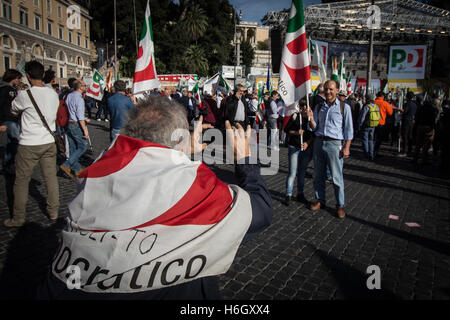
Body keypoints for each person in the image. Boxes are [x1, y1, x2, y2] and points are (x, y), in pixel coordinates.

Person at [37, 95, 272, 300]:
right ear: (179, 139)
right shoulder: (194, 187)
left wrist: (181, 151)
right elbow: (260, 211)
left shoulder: (97, 171)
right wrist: (245, 159)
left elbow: (150, 164)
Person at [4, 61, 59, 227]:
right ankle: (53, 212)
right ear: (43, 75)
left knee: (21, 180)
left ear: (27, 75)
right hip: (49, 141)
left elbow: (13, 110)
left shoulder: (24, 95)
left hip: (29, 143)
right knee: (50, 178)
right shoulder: (53, 94)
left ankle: (18, 218)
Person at [308, 80, 353, 219]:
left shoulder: (344, 107)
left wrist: (347, 147)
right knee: (318, 175)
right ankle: (320, 200)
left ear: (337, 90)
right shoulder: (319, 106)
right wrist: (310, 119)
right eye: (326, 89)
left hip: (334, 144)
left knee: (336, 177)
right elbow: (314, 127)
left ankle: (340, 205)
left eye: (331, 89)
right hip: (319, 143)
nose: (328, 92)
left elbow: (348, 130)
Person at [283, 98, 313, 206]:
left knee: (302, 172)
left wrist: (307, 143)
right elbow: (286, 129)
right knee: (292, 172)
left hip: (304, 148)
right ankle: (288, 194)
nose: (304, 107)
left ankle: (300, 193)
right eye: (302, 105)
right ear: (299, 107)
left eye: (306, 105)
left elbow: (313, 134)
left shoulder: (310, 119)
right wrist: (296, 132)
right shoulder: (295, 117)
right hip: (294, 147)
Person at [59, 80, 89, 178]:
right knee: (82, 147)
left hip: (68, 123)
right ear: (80, 87)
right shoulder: (79, 99)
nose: (86, 87)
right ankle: (67, 164)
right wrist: (85, 130)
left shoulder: (69, 95)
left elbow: (72, 111)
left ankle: (77, 169)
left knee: (72, 148)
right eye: (85, 85)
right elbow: (80, 116)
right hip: (76, 124)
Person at [0, 69, 23, 174]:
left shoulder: (12, 89)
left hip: (14, 119)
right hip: (8, 119)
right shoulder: (5, 90)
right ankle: (10, 164)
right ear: (13, 78)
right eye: (18, 78)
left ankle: (8, 164)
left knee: (10, 144)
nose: (19, 80)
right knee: (15, 142)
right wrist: (1, 122)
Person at [413, 98, 440, 164]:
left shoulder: (421, 108)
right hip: (428, 127)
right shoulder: (433, 109)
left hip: (420, 126)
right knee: (426, 144)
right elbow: (434, 119)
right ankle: (423, 159)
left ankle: (415, 158)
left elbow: (416, 117)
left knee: (418, 144)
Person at [357, 93, 380, 161]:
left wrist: (359, 125)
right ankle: (371, 154)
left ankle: (366, 155)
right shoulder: (376, 106)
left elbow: (362, 118)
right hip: (373, 125)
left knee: (365, 140)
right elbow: (379, 116)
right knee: (371, 140)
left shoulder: (367, 107)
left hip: (366, 125)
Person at [374, 92, 394, 158]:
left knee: (371, 138)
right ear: (383, 96)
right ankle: (375, 151)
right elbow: (390, 113)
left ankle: (370, 150)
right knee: (378, 138)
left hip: (372, 122)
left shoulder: (373, 102)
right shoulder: (385, 103)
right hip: (381, 122)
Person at [398, 92, 418, 156]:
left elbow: (405, 111)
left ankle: (404, 151)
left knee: (405, 136)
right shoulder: (415, 104)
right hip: (411, 121)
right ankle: (409, 150)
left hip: (406, 121)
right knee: (410, 136)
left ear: (407, 97)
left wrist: (400, 110)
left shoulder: (407, 104)